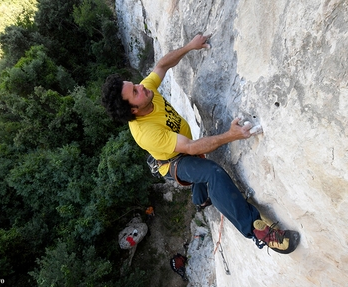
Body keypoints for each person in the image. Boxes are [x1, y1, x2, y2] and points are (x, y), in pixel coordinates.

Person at [101, 33, 299, 254]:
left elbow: (161, 66)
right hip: (174, 161)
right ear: (133, 111)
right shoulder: (145, 131)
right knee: (211, 173)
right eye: (135, 91)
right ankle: (256, 230)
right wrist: (232, 135)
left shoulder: (146, 92)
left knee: (201, 171)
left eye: (135, 84)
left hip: (184, 147)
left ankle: (201, 199)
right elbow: (190, 148)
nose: (141, 86)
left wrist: (189, 46)